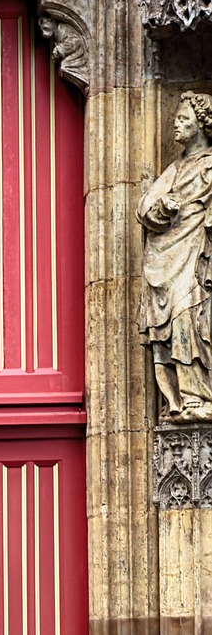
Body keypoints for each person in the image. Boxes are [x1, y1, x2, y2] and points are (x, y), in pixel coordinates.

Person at [139, 91, 212, 423]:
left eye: (183, 119)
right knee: (174, 322)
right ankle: (180, 397)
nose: (176, 125)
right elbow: (146, 209)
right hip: (172, 254)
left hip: (198, 254)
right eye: (175, 119)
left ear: (200, 125)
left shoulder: (209, 166)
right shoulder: (176, 167)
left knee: (191, 318)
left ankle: (198, 395)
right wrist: (163, 208)